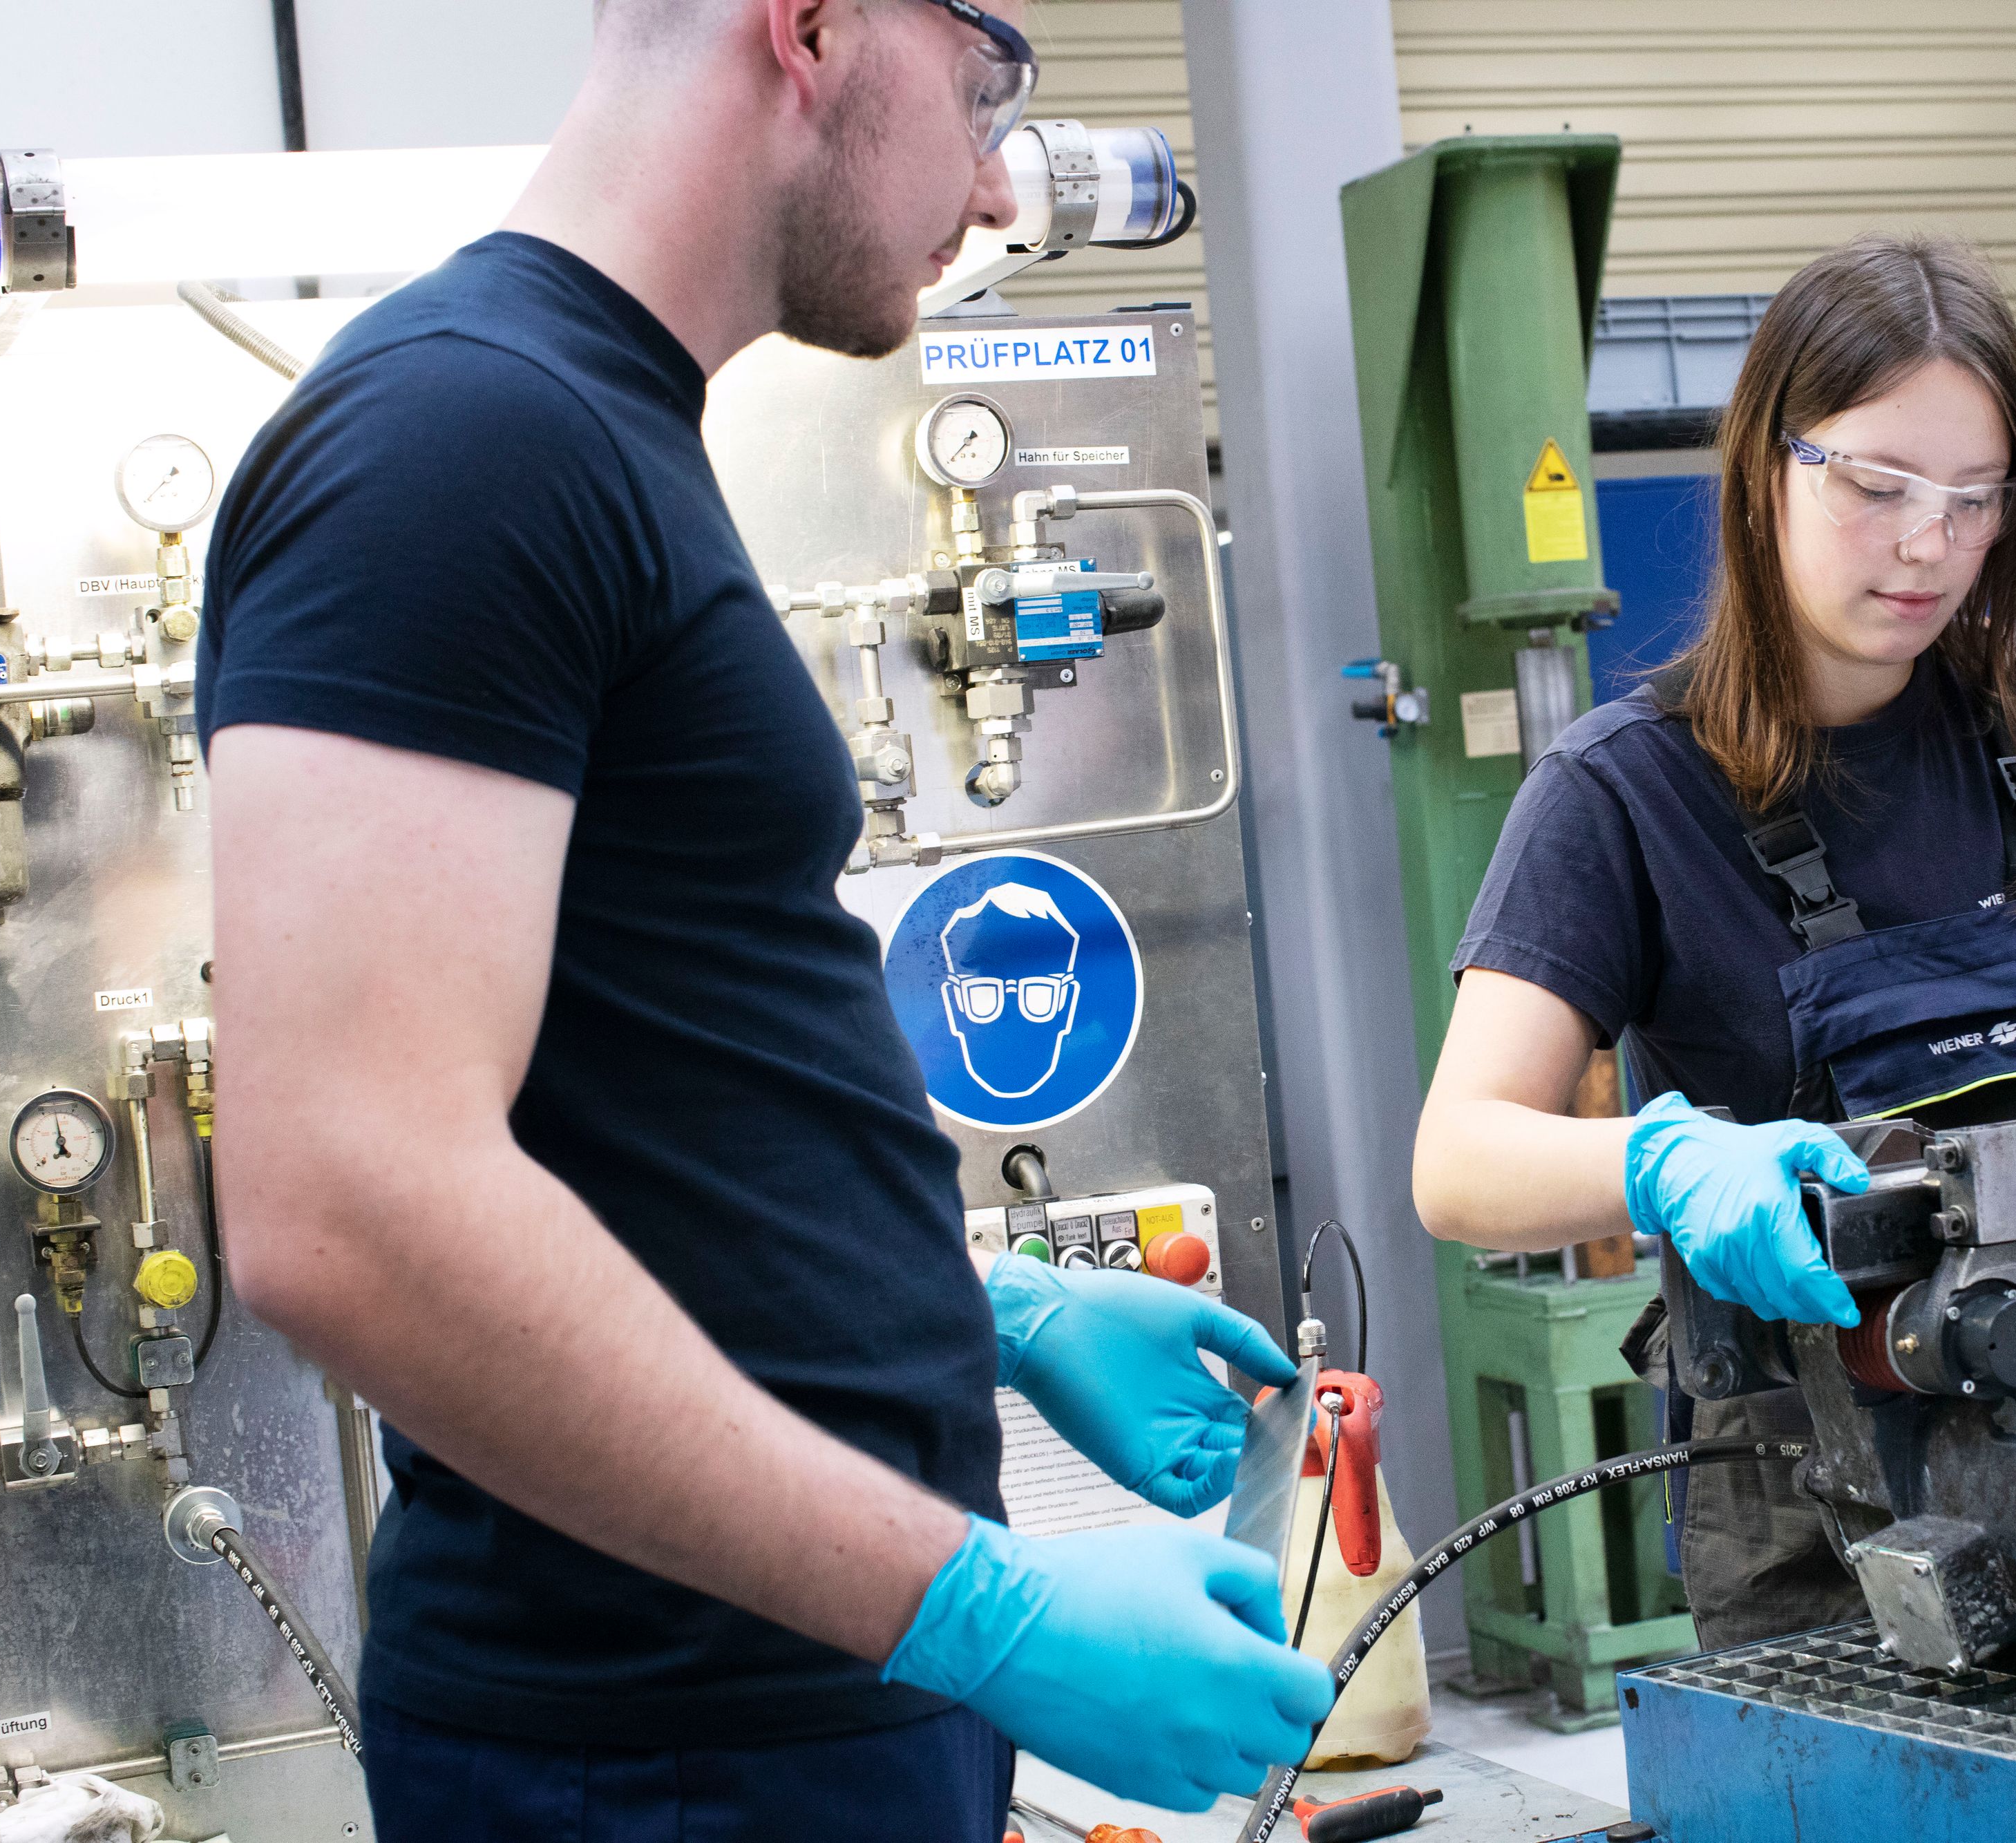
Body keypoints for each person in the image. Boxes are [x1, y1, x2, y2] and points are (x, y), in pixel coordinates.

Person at [197, 2, 1330, 1835]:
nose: (988, 179)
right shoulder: (464, 437)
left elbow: (652, 1110)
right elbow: (353, 1212)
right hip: (661, 1753)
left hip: (795, 1709)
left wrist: (981, 1310)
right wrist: (980, 1600)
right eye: (981, 89)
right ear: (806, 24)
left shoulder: (593, 429)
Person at [1410, 234, 2016, 1651]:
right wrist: (1667, 1160)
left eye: (1974, 498)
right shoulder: (1622, 792)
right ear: (1768, 466)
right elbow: (1456, 1161)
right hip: (1829, 1528)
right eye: (1876, 487)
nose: (1929, 542)